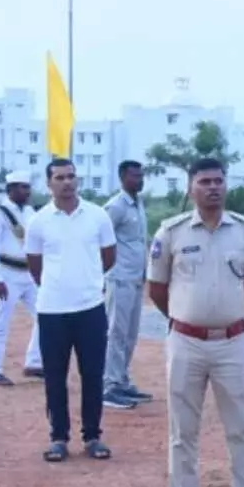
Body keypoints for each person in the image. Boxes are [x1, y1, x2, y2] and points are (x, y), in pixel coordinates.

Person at [148, 157, 244, 487]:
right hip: (185, 343)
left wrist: (222, 318)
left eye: (218, 181)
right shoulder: (171, 232)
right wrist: (189, 320)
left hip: (232, 342)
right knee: (182, 432)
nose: (213, 187)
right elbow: (158, 289)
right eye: (204, 181)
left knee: (241, 429)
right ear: (190, 188)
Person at [24, 158, 117, 462]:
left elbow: (109, 257)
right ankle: (58, 438)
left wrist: (87, 281)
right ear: (49, 184)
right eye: (60, 177)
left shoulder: (97, 216)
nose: (67, 182)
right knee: (54, 376)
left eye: (71, 177)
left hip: (90, 308)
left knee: (92, 374)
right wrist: (58, 285)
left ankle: (92, 436)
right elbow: (35, 266)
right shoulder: (38, 221)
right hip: (52, 310)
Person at [0, 170, 44, 386]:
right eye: (22, 187)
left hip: (29, 274)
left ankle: (34, 362)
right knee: (0, 324)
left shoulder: (30, 212)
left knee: (45, 315)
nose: (26, 191)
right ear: (10, 190)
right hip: (7, 274)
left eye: (28, 187)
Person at [102, 160, 151, 410]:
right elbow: (99, 238)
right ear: (122, 178)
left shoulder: (138, 203)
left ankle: (121, 380)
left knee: (130, 333)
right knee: (115, 332)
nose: (140, 180)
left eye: (141, 175)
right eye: (135, 176)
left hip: (135, 278)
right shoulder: (116, 206)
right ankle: (108, 385)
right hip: (118, 277)